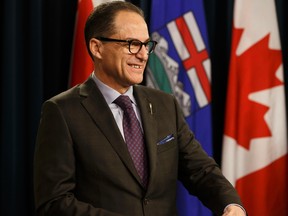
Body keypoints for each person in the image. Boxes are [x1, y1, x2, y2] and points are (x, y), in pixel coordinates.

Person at [34, 1, 246, 215]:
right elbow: (54, 203)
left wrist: (231, 205)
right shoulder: (62, 112)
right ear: (97, 47)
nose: (144, 55)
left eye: (146, 44)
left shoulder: (165, 104)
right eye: (132, 44)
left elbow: (201, 170)